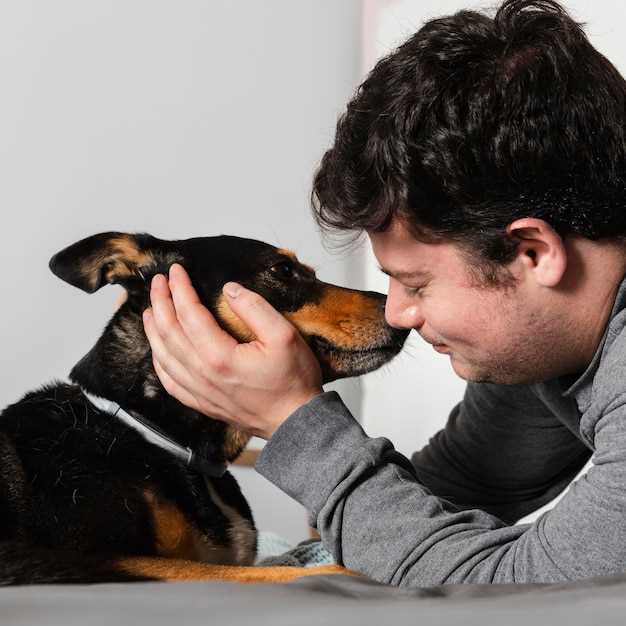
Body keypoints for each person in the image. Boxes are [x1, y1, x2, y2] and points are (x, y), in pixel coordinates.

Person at [141, 0, 626, 585]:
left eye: (416, 282)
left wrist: (294, 419)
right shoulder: (554, 343)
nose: (397, 313)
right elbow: (459, 487)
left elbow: (510, 597)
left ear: (533, 253)